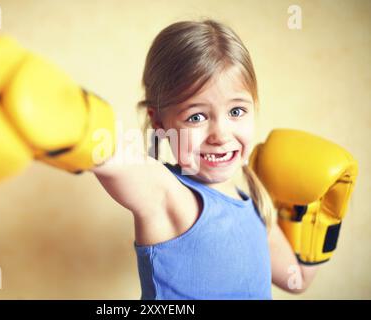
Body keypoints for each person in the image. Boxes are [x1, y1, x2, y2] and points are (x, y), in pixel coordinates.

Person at [91, 20, 318, 299]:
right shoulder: (168, 194)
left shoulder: (255, 205)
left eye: (236, 111)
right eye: (196, 117)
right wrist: (72, 121)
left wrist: (319, 222)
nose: (220, 134)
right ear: (159, 122)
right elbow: (104, 153)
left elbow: (297, 280)